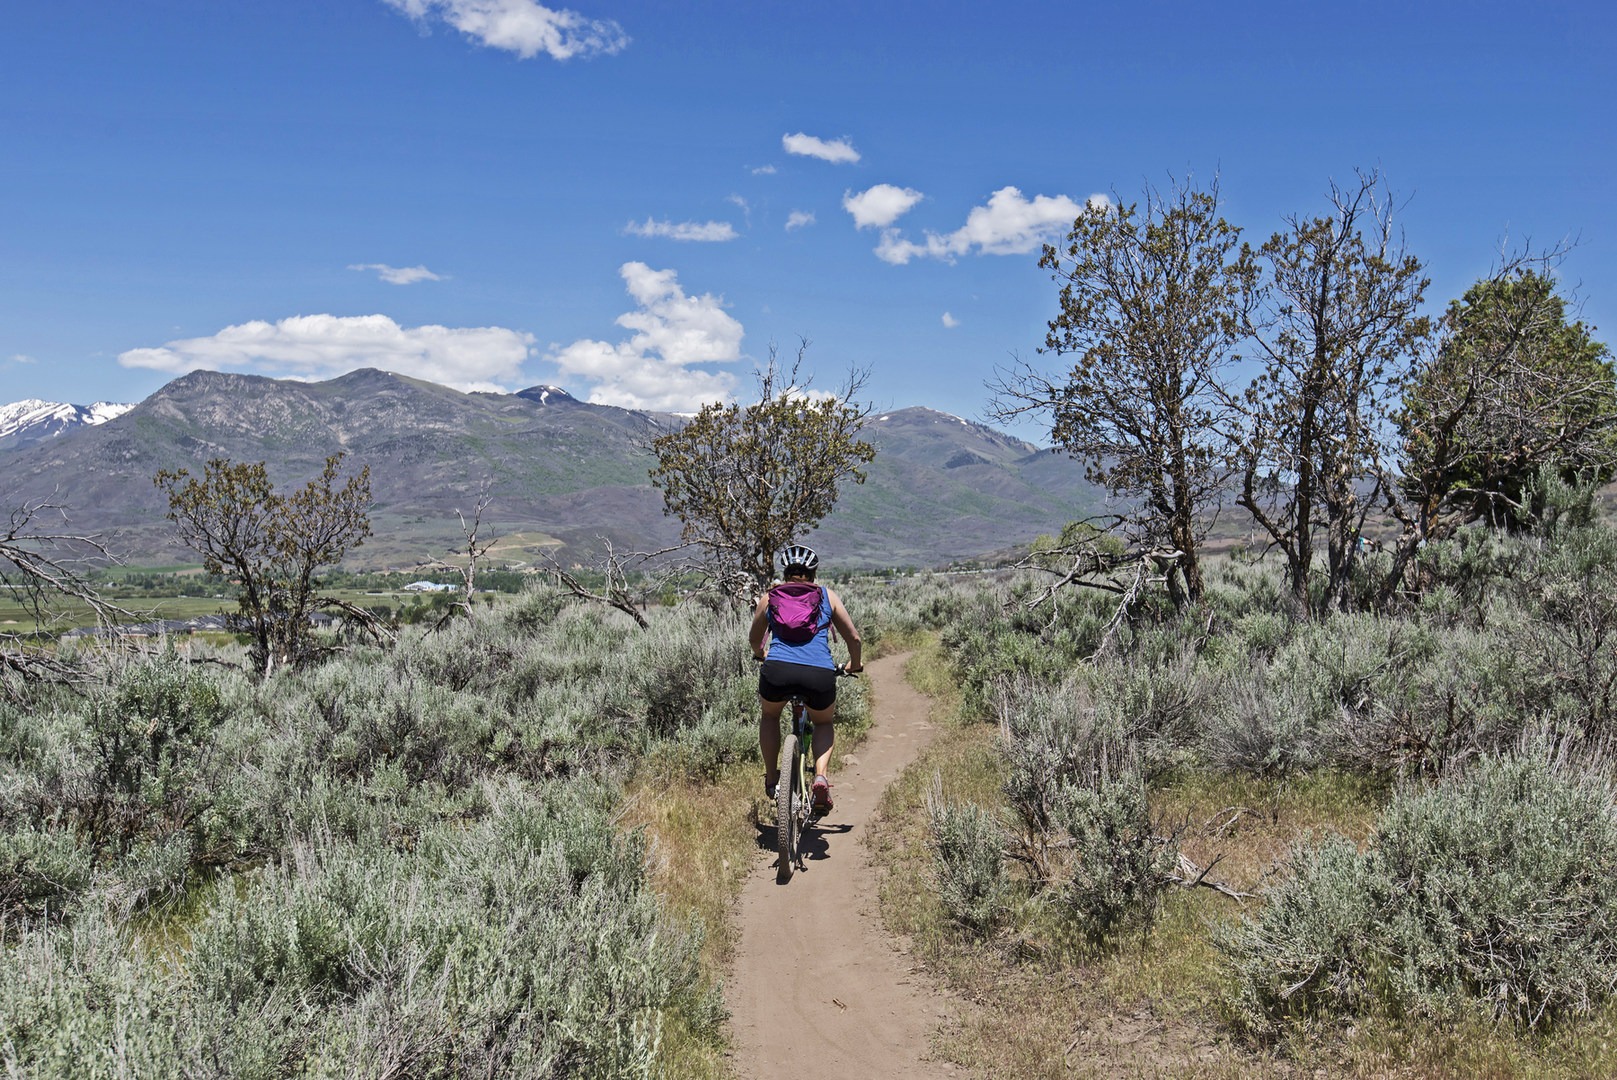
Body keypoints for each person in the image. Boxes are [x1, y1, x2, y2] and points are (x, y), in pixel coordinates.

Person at [750, 544, 862, 813]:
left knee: (770, 716)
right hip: (819, 675)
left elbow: (754, 638)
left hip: (777, 671)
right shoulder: (827, 596)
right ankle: (821, 777)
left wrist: (761, 653)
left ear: (786, 572)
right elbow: (854, 638)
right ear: (813, 574)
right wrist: (854, 665)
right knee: (823, 722)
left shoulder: (770, 597)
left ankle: (771, 777)